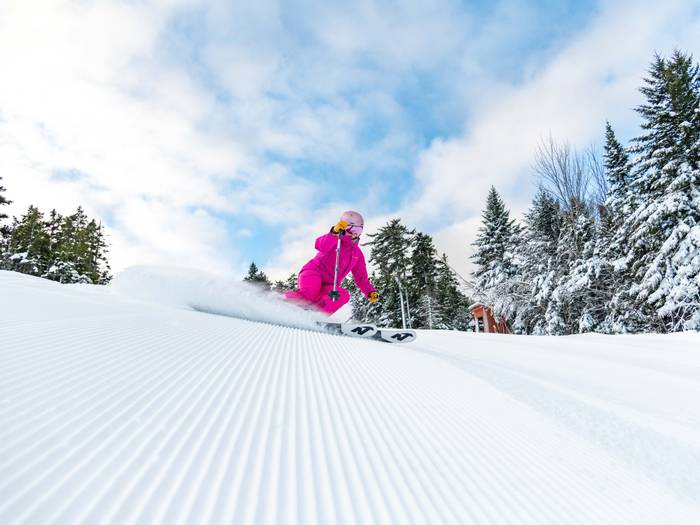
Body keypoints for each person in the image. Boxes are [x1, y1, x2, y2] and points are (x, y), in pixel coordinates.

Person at [284, 211, 378, 315]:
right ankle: (281, 301)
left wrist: (370, 292)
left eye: (360, 229)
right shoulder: (335, 240)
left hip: (330, 284)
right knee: (310, 294)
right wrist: (333, 233)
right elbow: (320, 245)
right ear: (344, 227)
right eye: (354, 229)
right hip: (313, 273)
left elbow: (361, 277)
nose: (356, 233)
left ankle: (316, 315)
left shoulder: (357, 254)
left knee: (342, 295)